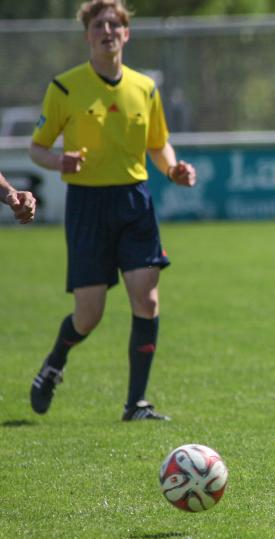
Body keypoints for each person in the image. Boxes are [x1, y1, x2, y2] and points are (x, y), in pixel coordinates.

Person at [29, 0, 196, 421]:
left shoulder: (145, 88)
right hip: (87, 204)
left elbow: (158, 144)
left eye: (114, 25)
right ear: (88, 35)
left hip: (134, 200)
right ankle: (54, 363)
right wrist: (59, 162)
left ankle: (136, 404)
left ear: (127, 34)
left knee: (147, 299)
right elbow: (37, 148)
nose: (107, 31)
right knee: (89, 316)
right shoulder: (65, 88)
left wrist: (172, 168)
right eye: (99, 25)